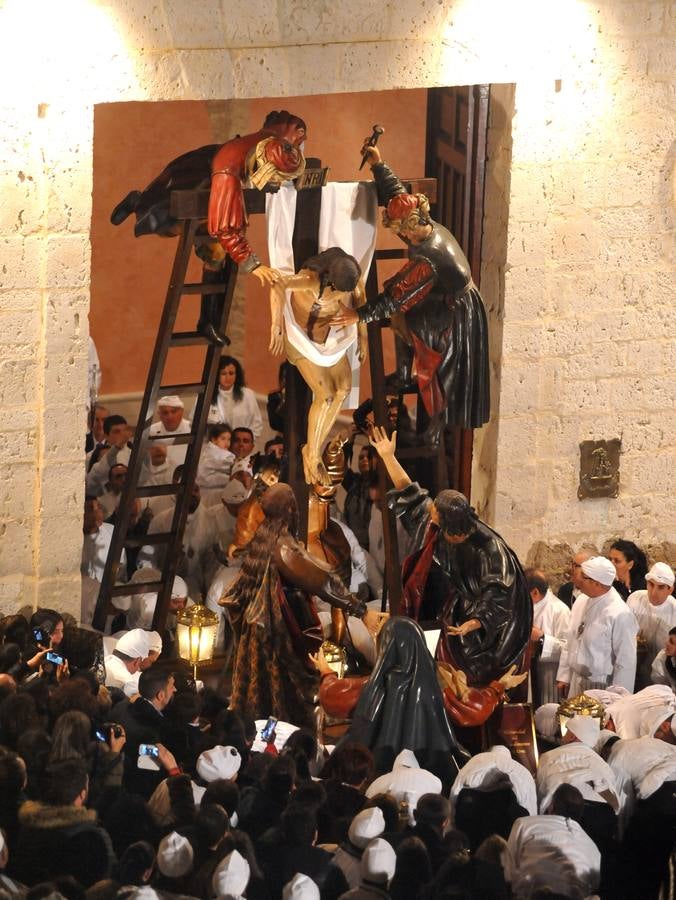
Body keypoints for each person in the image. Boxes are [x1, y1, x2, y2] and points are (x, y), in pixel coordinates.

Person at [331, 139, 489, 442]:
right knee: (403, 313)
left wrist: (359, 315)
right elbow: (397, 194)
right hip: (441, 298)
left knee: (439, 369)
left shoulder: (430, 254)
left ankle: (436, 426)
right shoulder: (422, 226)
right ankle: (404, 374)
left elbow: (396, 297)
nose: (402, 236)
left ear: (415, 224)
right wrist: (378, 163)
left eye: (403, 231)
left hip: (454, 314)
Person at [367, 425, 531, 691]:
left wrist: (473, 623)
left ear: (451, 523)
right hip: (445, 613)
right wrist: (388, 457)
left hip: (478, 632)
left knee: (459, 672)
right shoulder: (438, 528)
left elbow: (498, 596)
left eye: (435, 515)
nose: (429, 517)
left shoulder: (489, 549)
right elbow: (410, 495)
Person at [220, 483, 376, 731]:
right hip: (283, 631)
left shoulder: (265, 536)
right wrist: (360, 609)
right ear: (292, 509)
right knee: (287, 695)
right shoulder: (282, 546)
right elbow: (321, 581)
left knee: (266, 697)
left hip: (267, 630)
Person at [269, 247, 367, 485]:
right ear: (331, 282)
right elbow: (278, 284)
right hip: (301, 339)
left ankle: (312, 451)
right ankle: (312, 455)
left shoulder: (350, 275)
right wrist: (276, 324)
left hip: (327, 339)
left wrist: (362, 334)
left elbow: (360, 296)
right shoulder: (311, 280)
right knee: (325, 396)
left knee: (343, 390)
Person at [556, 556, 638, 696]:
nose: (578, 579)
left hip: (602, 687)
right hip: (577, 681)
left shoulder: (620, 613)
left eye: (584, 577)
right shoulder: (581, 600)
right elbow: (570, 639)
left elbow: (626, 662)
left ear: (597, 583)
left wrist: (618, 701)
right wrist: (564, 675)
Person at [628, 562, 676, 689]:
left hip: (661, 676)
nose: (654, 592)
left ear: (670, 589)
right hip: (631, 665)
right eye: (651, 584)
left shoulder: (674, 610)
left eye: (661, 587)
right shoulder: (635, 599)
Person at [527, 569, 571, 705]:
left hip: (549, 674)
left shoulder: (559, 610)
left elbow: (568, 647)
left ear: (535, 592)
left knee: (548, 714)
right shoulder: (523, 606)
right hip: (527, 670)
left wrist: (542, 638)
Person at [196, 355, 263, 442]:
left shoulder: (247, 394)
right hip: (214, 448)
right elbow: (197, 423)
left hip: (240, 448)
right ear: (216, 375)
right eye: (223, 373)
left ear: (236, 375)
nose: (228, 378)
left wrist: (244, 442)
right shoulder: (206, 394)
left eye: (231, 373)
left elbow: (257, 424)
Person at [148, 395, 192, 470]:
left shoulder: (191, 429)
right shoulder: (151, 431)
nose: (170, 416)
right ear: (159, 415)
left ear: (181, 412)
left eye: (173, 412)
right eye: (165, 413)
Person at [651, 626, 676, 690]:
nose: (666, 643)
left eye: (672, 642)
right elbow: (659, 686)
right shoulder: (663, 657)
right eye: (668, 639)